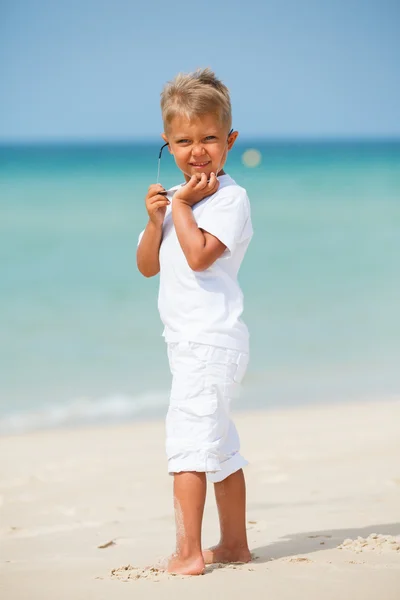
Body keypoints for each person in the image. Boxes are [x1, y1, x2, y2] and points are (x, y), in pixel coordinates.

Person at [136, 68, 253, 576]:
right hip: (191, 342)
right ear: (167, 143)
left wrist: (183, 206)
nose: (198, 151)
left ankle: (188, 553)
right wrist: (155, 220)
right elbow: (147, 265)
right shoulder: (175, 203)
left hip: (210, 341)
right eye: (184, 141)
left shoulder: (228, 198)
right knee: (221, 446)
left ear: (229, 141)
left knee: (187, 444)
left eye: (209, 138)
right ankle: (233, 544)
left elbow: (202, 255)